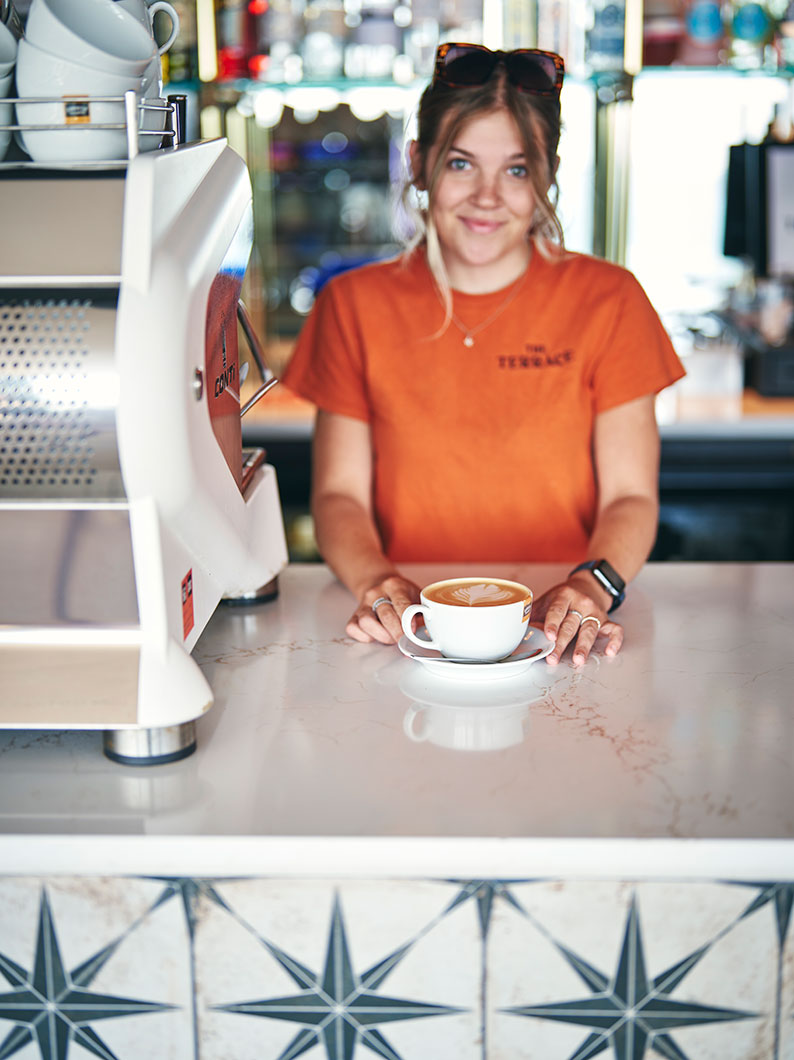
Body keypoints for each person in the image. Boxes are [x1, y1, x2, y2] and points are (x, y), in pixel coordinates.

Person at [282, 42, 685, 666]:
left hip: (562, 623)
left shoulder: (610, 299)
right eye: (462, 164)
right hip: (414, 631)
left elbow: (630, 497)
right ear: (418, 164)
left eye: (518, 170)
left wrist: (591, 586)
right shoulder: (353, 304)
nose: (488, 196)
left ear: (548, 173)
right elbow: (339, 497)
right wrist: (376, 584)